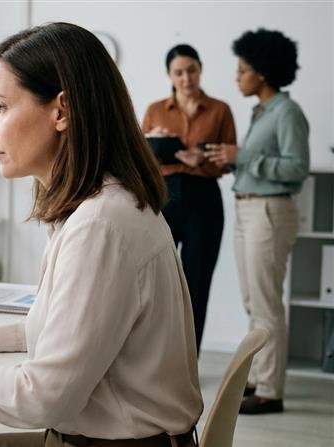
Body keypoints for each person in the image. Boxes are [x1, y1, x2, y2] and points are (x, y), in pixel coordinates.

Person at [0, 22, 203, 446]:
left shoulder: (101, 225)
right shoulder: (104, 206)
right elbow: (73, 333)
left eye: (0, 106)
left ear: (61, 112)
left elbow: (42, 399)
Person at [206, 29, 309, 415]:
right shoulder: (262, 112)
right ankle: (259, 376)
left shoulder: (287, 112)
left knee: (266, 303)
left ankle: (270, 390)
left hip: (269, 211)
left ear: (262, 73)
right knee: (254, 300)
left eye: (243, 69)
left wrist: (245, 156)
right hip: (248, 208)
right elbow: (259, 161)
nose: (237, 76)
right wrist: (232, 160)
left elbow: (297, 168)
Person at [142, 44, 237, 353]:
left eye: (191, 70)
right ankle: (155, 356)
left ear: (201, 69)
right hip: (164, 197)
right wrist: (153, 143)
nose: (186, 78)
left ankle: (188, 361)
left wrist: (203, 160)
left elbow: (229, 159)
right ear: (169, 75)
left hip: (203, 198)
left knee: (197, 281)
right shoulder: (156, 110)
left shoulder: (220, 110)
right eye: (178, 72)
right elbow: (139, 158)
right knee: (157, 280)